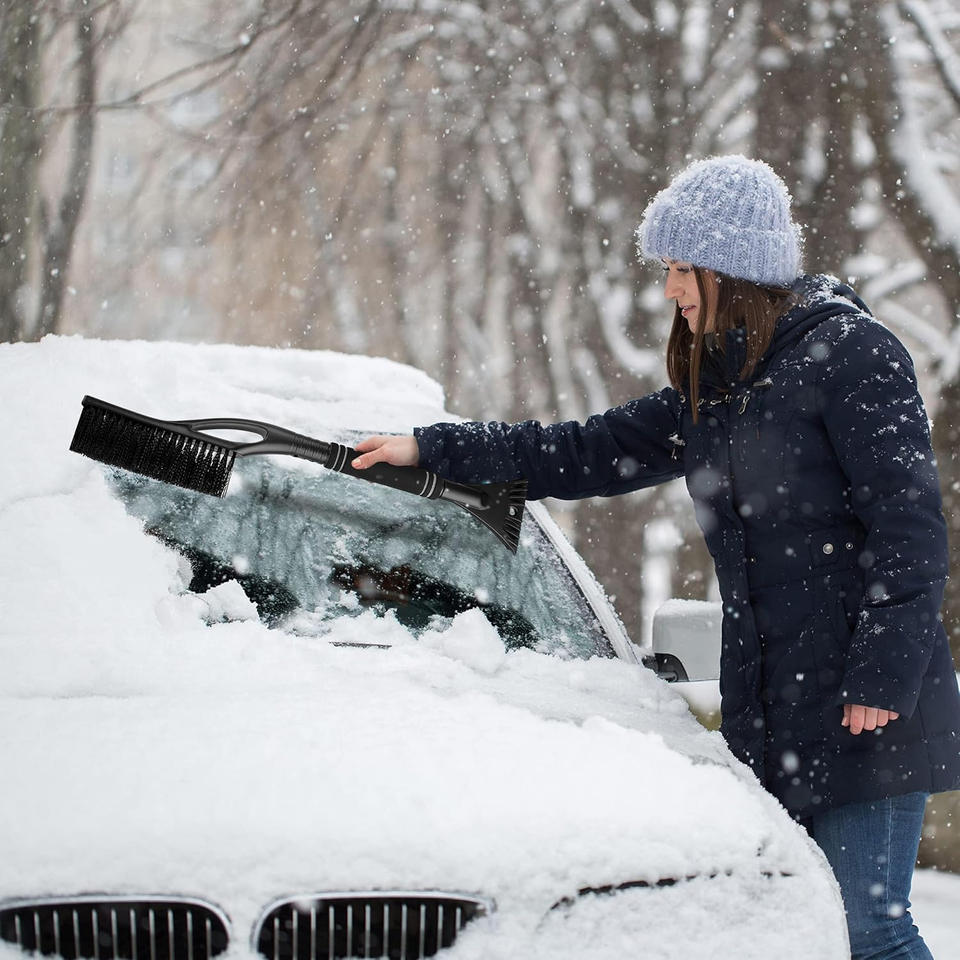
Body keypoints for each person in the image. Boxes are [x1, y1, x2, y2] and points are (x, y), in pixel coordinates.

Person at [351, 155, 960, 959]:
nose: (669, 289)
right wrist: (434, 447)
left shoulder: (854, 356)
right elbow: (583, 451)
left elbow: (910, 531)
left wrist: (880, 679)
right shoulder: (720, 384)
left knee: (868, 931)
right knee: (799, 934)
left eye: (681, 269)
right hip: (773, 708)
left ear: (732, 270)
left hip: (862, 705)